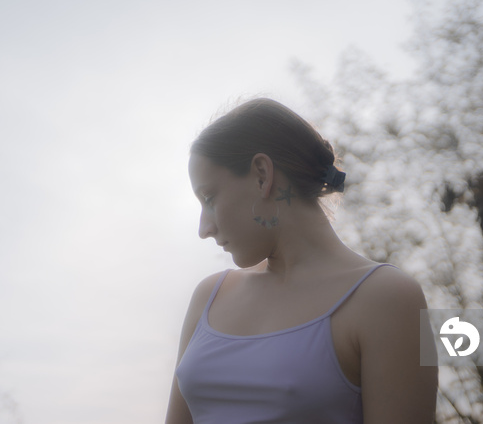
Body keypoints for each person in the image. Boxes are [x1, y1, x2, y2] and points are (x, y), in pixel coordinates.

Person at [165, 98, 438, 423]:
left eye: (209, 198)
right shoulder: (208, 297)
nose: (204, 228)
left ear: (262, 175)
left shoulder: (386, 299)